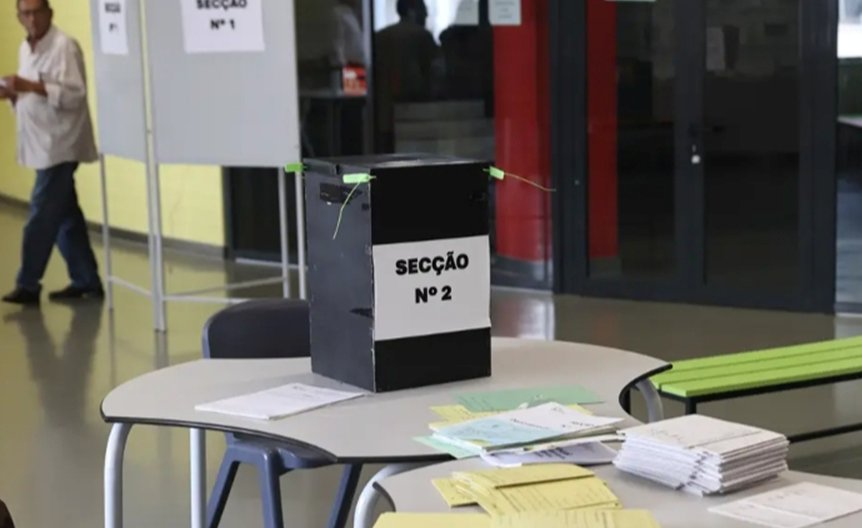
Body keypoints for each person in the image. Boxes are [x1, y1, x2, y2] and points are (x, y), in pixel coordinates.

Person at [1, 0, 103, 306]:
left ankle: (28, 284)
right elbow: (29, 94)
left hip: (60, 144)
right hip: (40, 143)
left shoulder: (64, 46)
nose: (32, 19)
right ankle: (86, 280)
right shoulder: (26, 49)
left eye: (37, 11)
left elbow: (75, 95)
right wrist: (13, 94)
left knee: (41, 215)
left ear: (50, 13)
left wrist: (29, 85)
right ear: (18, 17)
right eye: (25, 13)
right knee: (64, 216)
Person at [374, 0, 439, 151]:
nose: (427, 14)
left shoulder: (380, 36)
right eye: (424, 9)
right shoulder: (421, 36)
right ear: (412, 11)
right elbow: (435, 72)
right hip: (413, 111)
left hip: (382, 112)